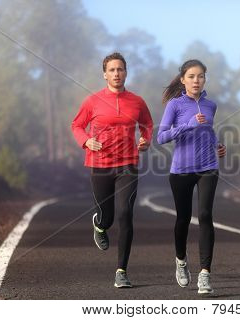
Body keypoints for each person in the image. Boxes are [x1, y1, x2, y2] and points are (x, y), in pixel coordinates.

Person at [71, 52, 153, 288]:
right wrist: (86, 141)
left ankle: (121, 271)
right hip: (100, 164)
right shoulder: (93, 101)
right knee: (107, 216)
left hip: (128, 164)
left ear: (126, 72)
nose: (117, 73)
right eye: (112, 70)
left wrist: (145, 141)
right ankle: (99, 225)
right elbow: (76, 125)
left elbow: (147, 124)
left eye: (121, 69)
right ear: (105, 74)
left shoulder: (137, 101)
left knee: (125, 212)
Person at [157, 59, 226, 294]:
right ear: (183, 79)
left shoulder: (211, 105)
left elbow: (209, 130)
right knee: (183, 219)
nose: (197, 80)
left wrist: (217, 145)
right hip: (181, 170)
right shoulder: (175, 106)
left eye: (201, 76)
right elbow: (162, 137)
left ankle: (205, 274)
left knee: (205, 215)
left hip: (208, 167)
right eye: (192, 76)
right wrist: (186, 124)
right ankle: (181, 261)